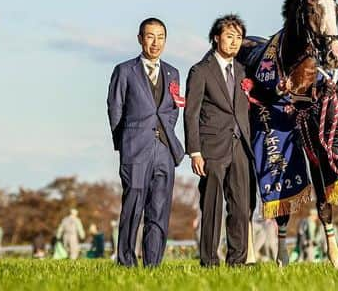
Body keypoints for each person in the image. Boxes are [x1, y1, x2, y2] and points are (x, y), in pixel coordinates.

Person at [107, 17, 185, 267]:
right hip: (135, 148)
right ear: (140, 39)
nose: (155, 42)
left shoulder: (173, 72)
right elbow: (115, 108)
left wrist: (165, 134)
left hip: (164, 149)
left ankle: (153, 264)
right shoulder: (124, 70)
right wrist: (126, 142)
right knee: (133, 206)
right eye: (150, 36)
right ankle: (126, 262)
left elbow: (173, 109)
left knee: (159, 209)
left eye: (160, 37)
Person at [185, 14, 253, 267]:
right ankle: (209, 260)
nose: (234, 42)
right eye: (229, 36)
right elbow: (190, 113)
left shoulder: (244, 72)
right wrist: (194, 152)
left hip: (240, 148)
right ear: (216, 38)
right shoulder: (200, 71)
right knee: (211, 206)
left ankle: (237, 261)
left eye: (238, 38)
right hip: (211, 149)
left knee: (241, 207)